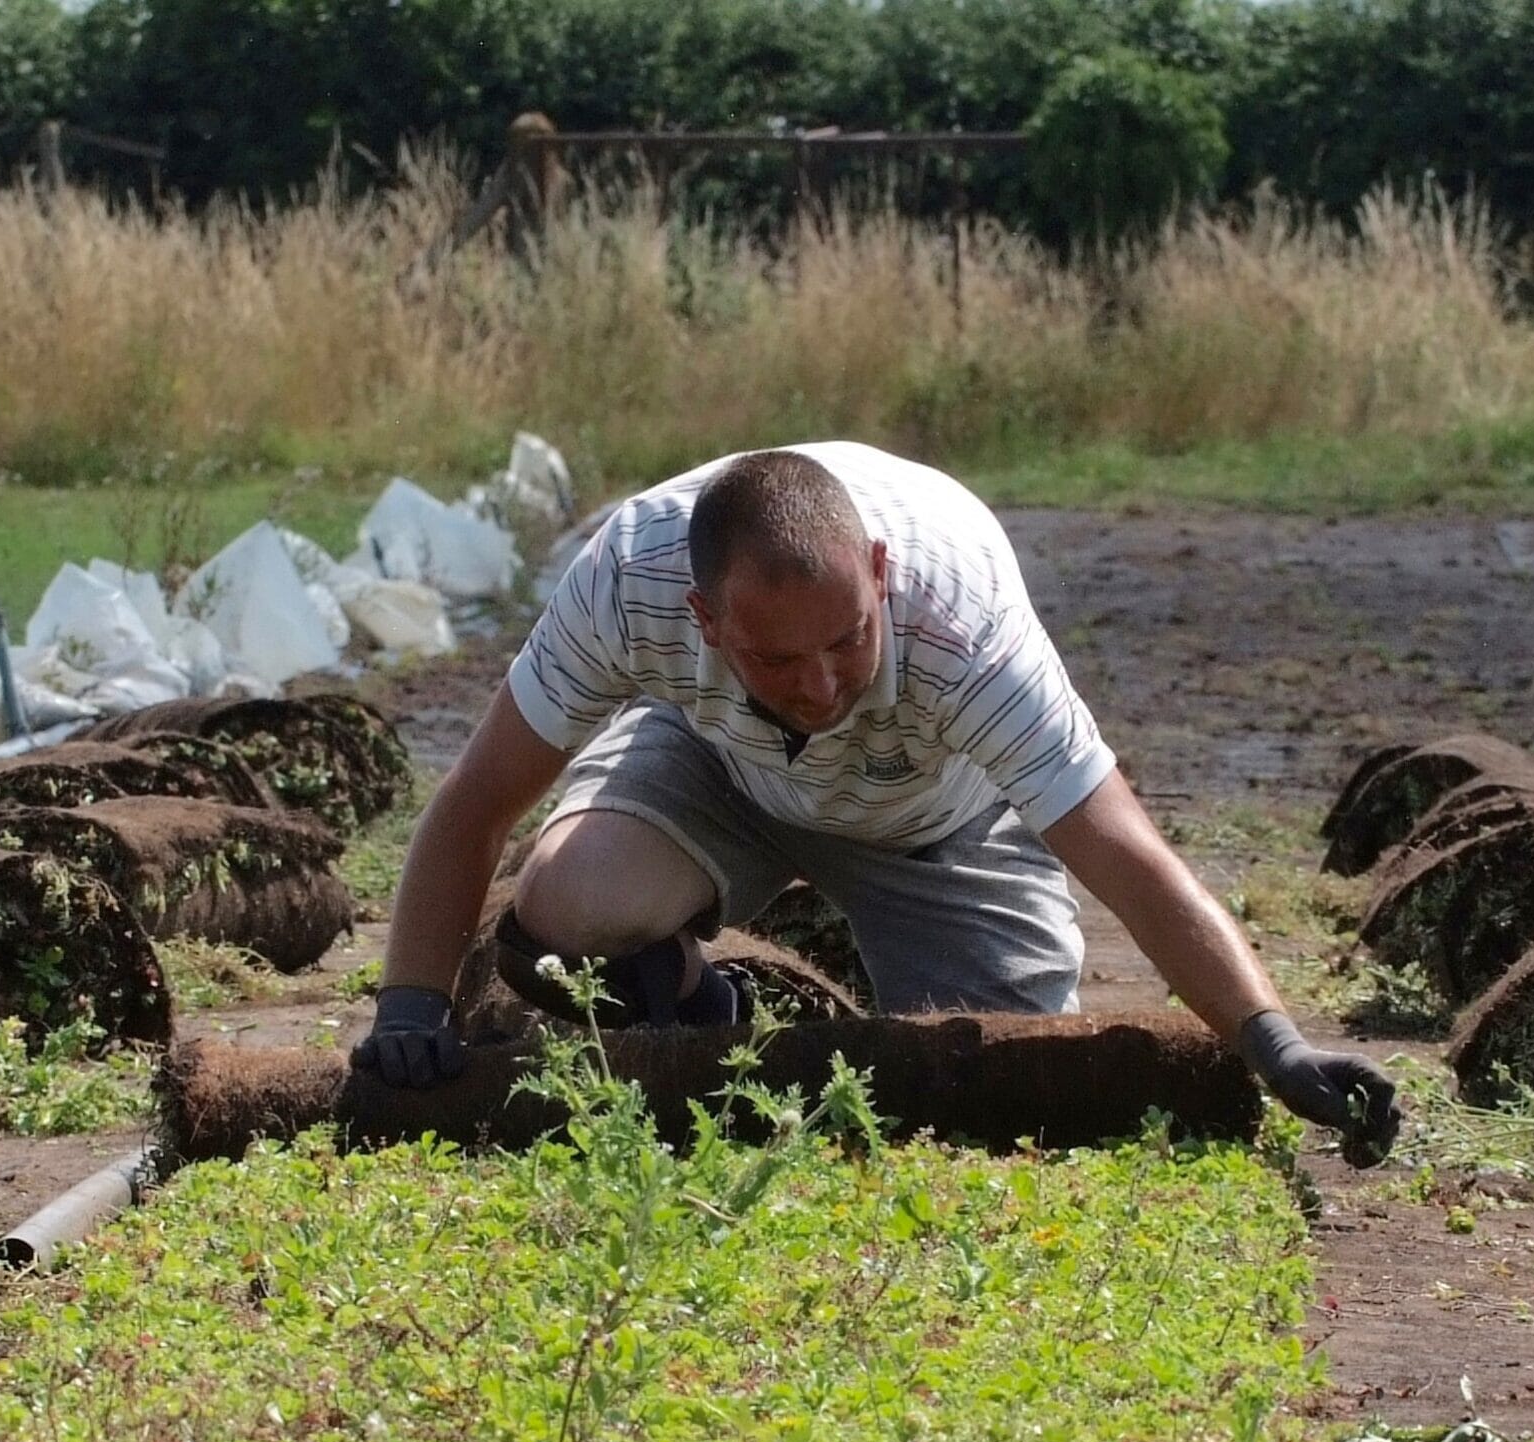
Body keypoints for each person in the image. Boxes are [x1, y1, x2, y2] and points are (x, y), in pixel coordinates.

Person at [353, 441, 1399, 1160]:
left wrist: (1273, 1042)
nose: (819, 687)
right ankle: (701, 1004)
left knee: (998, 1089)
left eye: (847, 640)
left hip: (937, 818)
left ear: (881, 574)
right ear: (706, 622)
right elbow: (478, 797)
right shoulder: (626, 581)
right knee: (563, 914)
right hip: (720, 767)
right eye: (776, 657)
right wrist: (409, 1002)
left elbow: (1126, 853)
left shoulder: (963, 633)